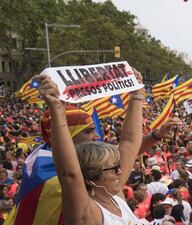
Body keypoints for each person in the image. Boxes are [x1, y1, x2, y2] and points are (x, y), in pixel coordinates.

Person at [36, 72, 181, 225]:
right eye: (113, 168)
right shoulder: (88, 212)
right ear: (91, 179)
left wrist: (137, 93)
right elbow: (69, 174)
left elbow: (130, 142)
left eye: (117, 166)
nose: (121, 171)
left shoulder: (114, 195)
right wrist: (57, 110)